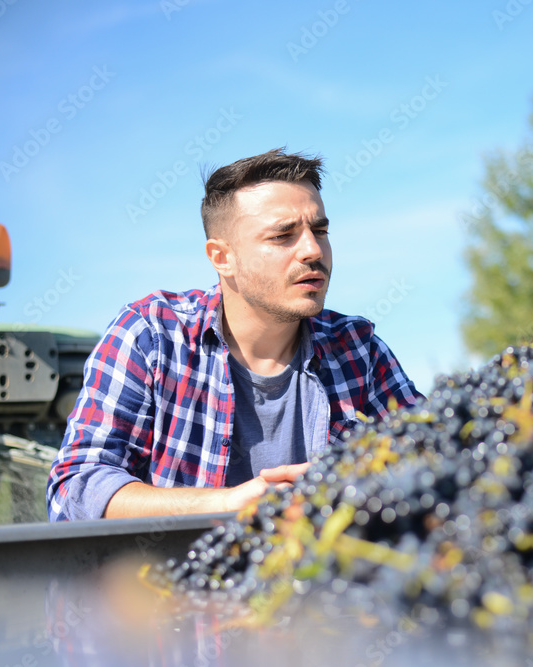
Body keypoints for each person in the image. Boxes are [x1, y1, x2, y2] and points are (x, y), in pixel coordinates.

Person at [46, 148, 422, 521]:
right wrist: (227, 505)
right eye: (283, 236)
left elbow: (436, 457)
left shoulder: (357, 349)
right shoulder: (152, 336)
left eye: (319, 230)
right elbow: (76, 487)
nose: (312, 250)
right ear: (222, 257)